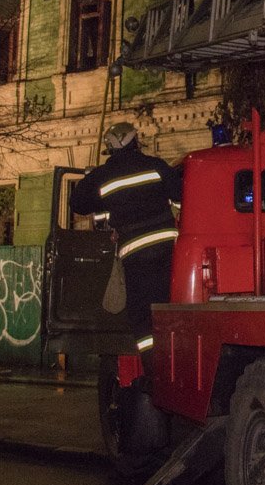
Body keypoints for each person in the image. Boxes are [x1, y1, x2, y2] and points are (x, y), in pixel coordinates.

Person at [71, 121, 182, 356]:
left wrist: (93, 182)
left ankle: (152, 364)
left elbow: (78, 203)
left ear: (110, 148)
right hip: (167, 249)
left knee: (141, 314)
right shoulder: (155, 165)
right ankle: (174, 353)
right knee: (168, 304)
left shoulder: (103, 176)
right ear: (135, 142)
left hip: (135, 254)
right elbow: (180, 193)